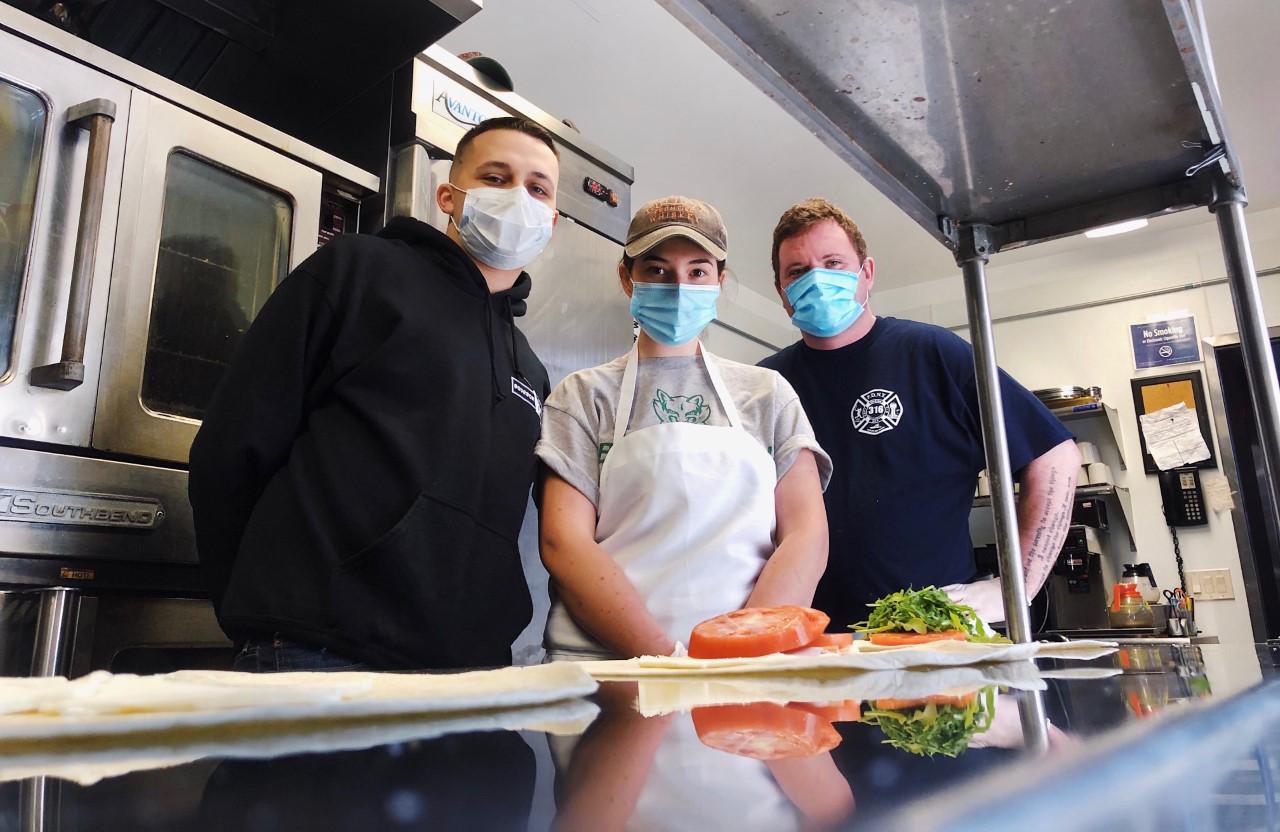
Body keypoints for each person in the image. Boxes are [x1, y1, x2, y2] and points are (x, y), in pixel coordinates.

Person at [188, 116, 561, 672]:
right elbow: (234, 448)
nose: (518, 198)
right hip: (321, 650)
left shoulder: (529, 367)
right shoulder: (359, 271)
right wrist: (261, 611)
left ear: (552, 218)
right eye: (496, 176)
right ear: (449, 197)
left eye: (536, 188)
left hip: (469, 672)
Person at [758, 198, 1080, 627]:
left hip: (936, 635)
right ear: (782, 293)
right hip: (808, 643)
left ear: (866, 273)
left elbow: (1055, 456)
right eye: (798, 272)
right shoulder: (766, 387)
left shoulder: (933, 355)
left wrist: (1013, 589)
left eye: (833, 263)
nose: (817, 280)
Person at [536, 196, 832, 661]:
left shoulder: (767, 394)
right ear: (626, 278)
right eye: (657, 270)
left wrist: (743, 655)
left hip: (750, 672)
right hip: (611, 671)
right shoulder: (583, 396)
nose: (678, 286)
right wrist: (666, 662)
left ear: (720, 280)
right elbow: (563, 542)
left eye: (697, 271)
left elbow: (806, 535)